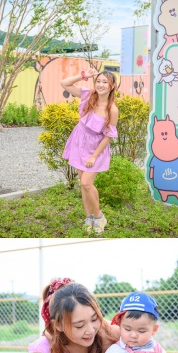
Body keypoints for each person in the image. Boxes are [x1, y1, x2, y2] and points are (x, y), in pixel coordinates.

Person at [59, 67, 119, 234]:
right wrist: (84, 76)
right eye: (98, 81)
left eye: (104, 82)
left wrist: (93, 156)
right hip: (79, 141)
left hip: (96, 148)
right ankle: (88, 218)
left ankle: (99, 217)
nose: (100, 85)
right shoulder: (88, 95)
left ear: (112, 86)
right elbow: (64, 83)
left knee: (87, 183)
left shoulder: (112, 109)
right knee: (84, 185)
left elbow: (108, 136)